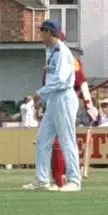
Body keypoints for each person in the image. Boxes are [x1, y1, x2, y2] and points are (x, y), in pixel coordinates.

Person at [26, 19, 82, 191]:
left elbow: (60, 80)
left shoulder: (63, 52)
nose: (40, 34)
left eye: (42, 31)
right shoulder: (51, 51)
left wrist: (39, 94)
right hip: (54, 99)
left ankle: (74, 180)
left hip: (64, 97)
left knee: (67, 139)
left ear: (49, 32)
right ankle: (42, 180)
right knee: (43, 139)